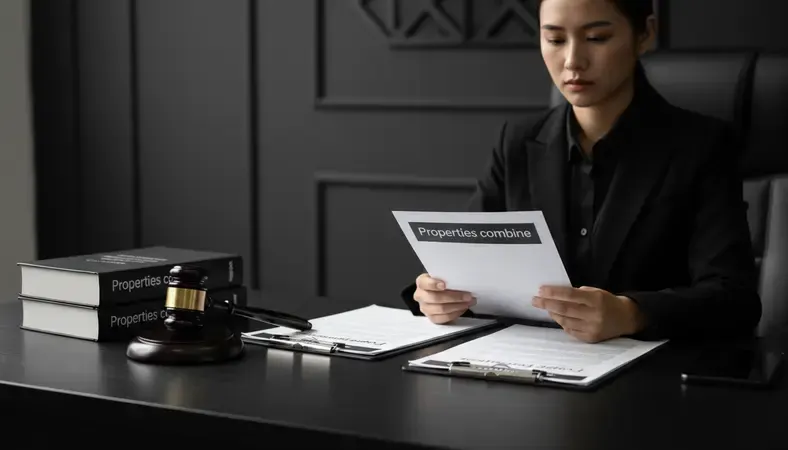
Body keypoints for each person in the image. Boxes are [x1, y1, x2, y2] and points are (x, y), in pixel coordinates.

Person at [400, 0, 761, 343]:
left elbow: (735, 299)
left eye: (596, 38)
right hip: (530, 368)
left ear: (645, 34)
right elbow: (464, 261)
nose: (573, 61)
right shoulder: (517, 141)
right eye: (555, 39)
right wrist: (436, 294)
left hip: (651, 380)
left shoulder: (701, 146)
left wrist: (632, 313)